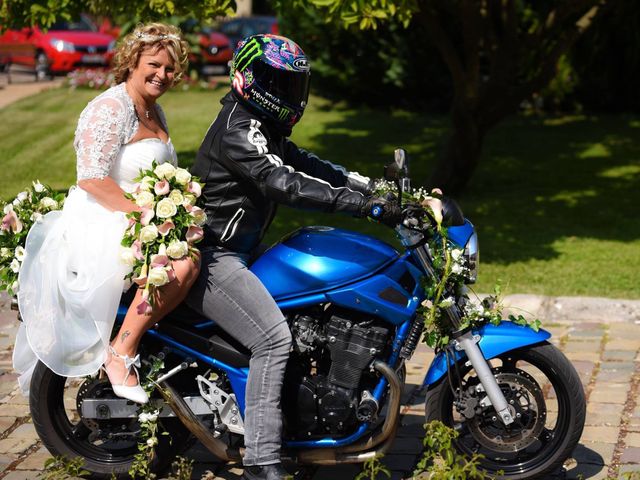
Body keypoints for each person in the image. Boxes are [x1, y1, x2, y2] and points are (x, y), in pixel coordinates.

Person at [186, 34, 401, 480]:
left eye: (292, 85)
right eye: (276, 83)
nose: (286, 94)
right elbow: (284, 181)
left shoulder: (263, 127)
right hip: (213, 257)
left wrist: (372, 189)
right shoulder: (238, 129)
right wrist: (364, 207)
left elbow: (313, 167)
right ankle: (262, 461)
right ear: (249, 79)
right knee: (272, 340)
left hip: (241, 251)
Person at [13, 23, 200, 405]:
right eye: (154, 65)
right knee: (179, 267)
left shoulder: (153, 109)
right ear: (131, 62)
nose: (162, 75)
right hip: (107, 218)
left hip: (141, 215)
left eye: (169, 69)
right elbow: (92, 179)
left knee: (198, 259)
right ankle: (120, 353)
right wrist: (146, 216)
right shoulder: (110, 108)